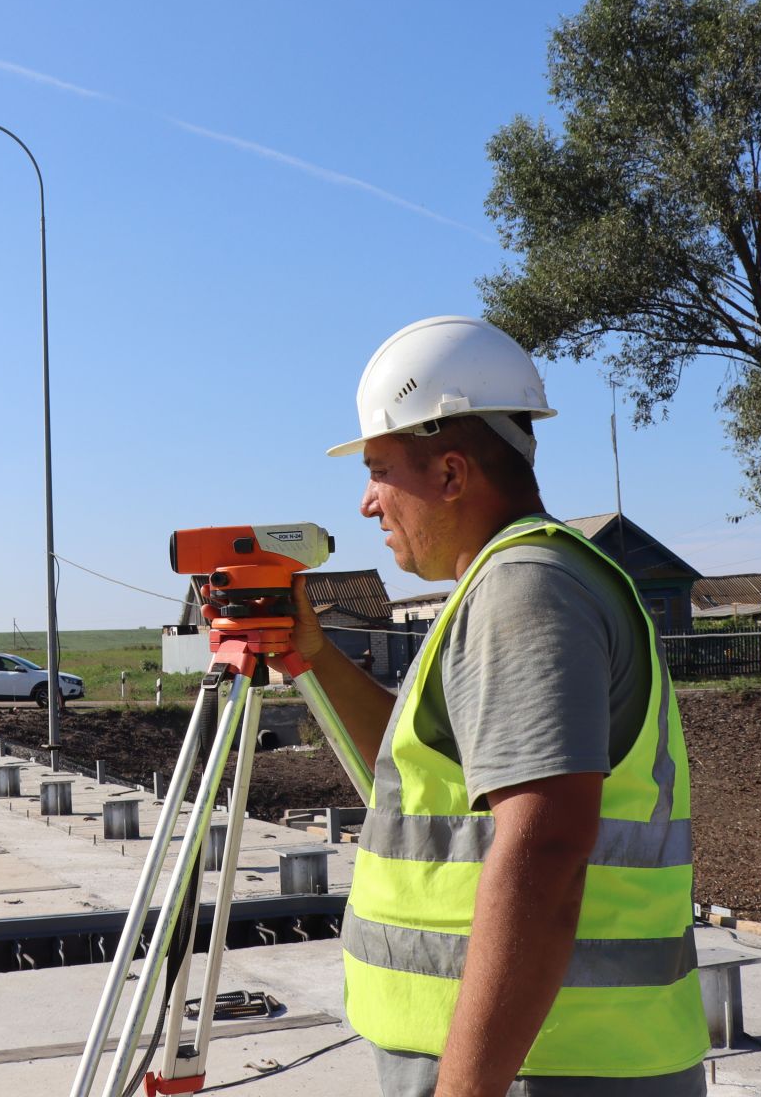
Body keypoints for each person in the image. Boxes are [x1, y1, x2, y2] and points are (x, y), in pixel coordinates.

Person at [294, 316, 707, 1097]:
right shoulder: (503, 586)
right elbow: (435, 786)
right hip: (532, 1061)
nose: (366, 503)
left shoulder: (525, 590)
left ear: (451, 474)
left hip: (544, 1070)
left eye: (380, 470)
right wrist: (314, 653)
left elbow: (544, 849)